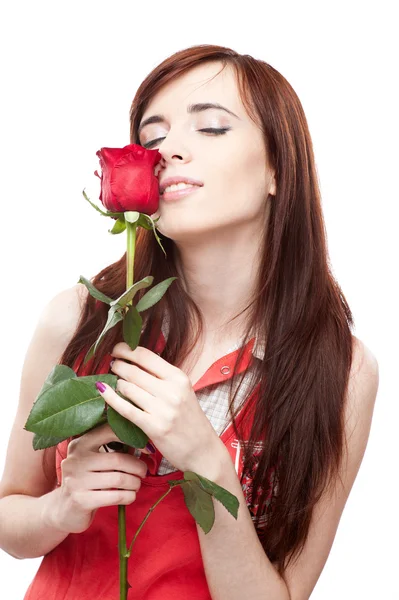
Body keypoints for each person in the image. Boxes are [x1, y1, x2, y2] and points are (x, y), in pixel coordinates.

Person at [0, 44, 379, 600]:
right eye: (153, 136)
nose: (168, 150)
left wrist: (208, 462)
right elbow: (10, 518)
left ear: (277, 167)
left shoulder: (341, 369)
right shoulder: (82, 320)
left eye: (211, 128)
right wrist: (62, 507)